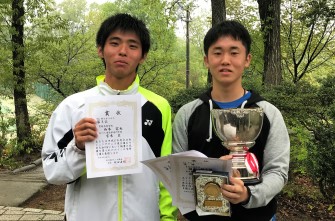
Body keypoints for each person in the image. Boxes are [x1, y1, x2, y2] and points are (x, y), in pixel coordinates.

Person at [42, 13, 177, 221]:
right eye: (115, 43)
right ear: (100, 50)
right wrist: (77, 148)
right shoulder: (72, 106)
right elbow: (53, 173)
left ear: (143, 55)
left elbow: (165, 169)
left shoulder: (159, 107)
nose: (122, 51)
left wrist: (167, 217)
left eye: (133, 45)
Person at [172, 20, 290, 221]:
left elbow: (277, 172)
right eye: (217, 53)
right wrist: (213, 170)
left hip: (257, 216)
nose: (225, 60)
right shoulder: (188, 113)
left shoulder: (268, 113)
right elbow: (178, 172)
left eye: (234, 52)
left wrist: (248, 195)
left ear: (247, 59)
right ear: (206, 60)